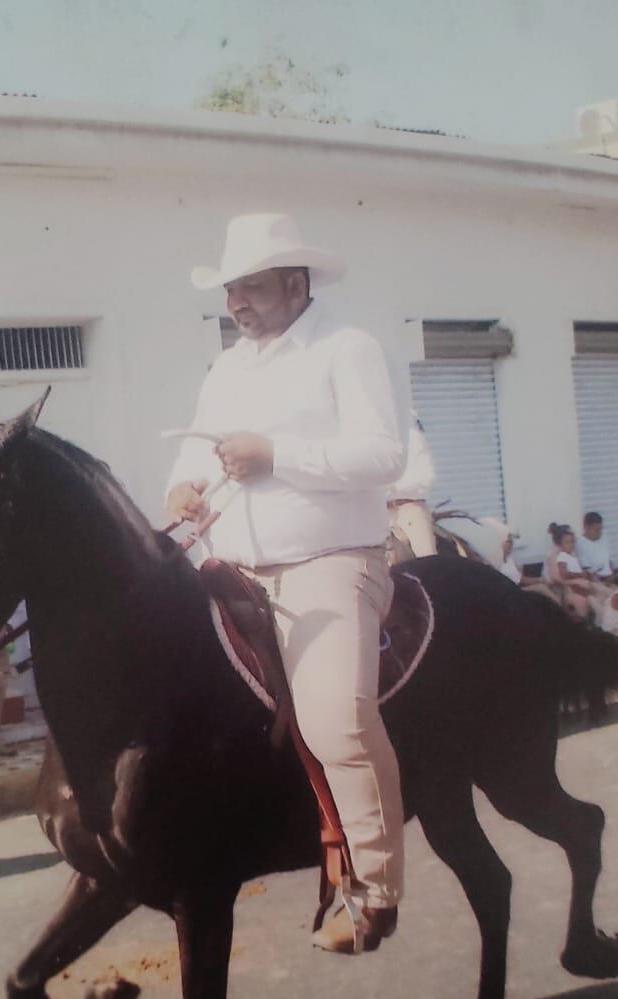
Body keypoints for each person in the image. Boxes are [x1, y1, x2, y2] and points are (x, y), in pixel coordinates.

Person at [166, 212, 408, 955]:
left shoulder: (348, 347)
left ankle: (376, 887)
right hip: (232, 565)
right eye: (230, 289)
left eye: (252, 287)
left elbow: (383, 454)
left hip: (329, 562)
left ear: (296, 284)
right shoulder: (230, 366)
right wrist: (182, 489)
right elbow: (198, 453)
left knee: (335, 717)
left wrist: (277, 455)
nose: (237, 302)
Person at [386, 418, 437, 561]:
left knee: (426, 559)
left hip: (409, 509)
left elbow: (426, 476)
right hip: (376, 512)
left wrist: (390, 488)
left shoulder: (411, 432)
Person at [544, 523, 599, 620]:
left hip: (577, 585)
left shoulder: (570, 555)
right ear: (559, 543)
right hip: (562, 588)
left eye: (572, 541)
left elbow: (577, 571)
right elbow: (557, 578)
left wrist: (585, 575)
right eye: (567, 542)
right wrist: (577, 580)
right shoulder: (554, 557)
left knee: (598, 591)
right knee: (581, 600)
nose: (571, 544)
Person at [575, 511, 614, 581]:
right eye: (596, 530)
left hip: (609, 576)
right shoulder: (580, 544)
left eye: (600, 529)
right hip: (596, 579)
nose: (599, 532)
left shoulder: (604, 538)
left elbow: (608, 561)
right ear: (586, 527)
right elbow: (587, 570)